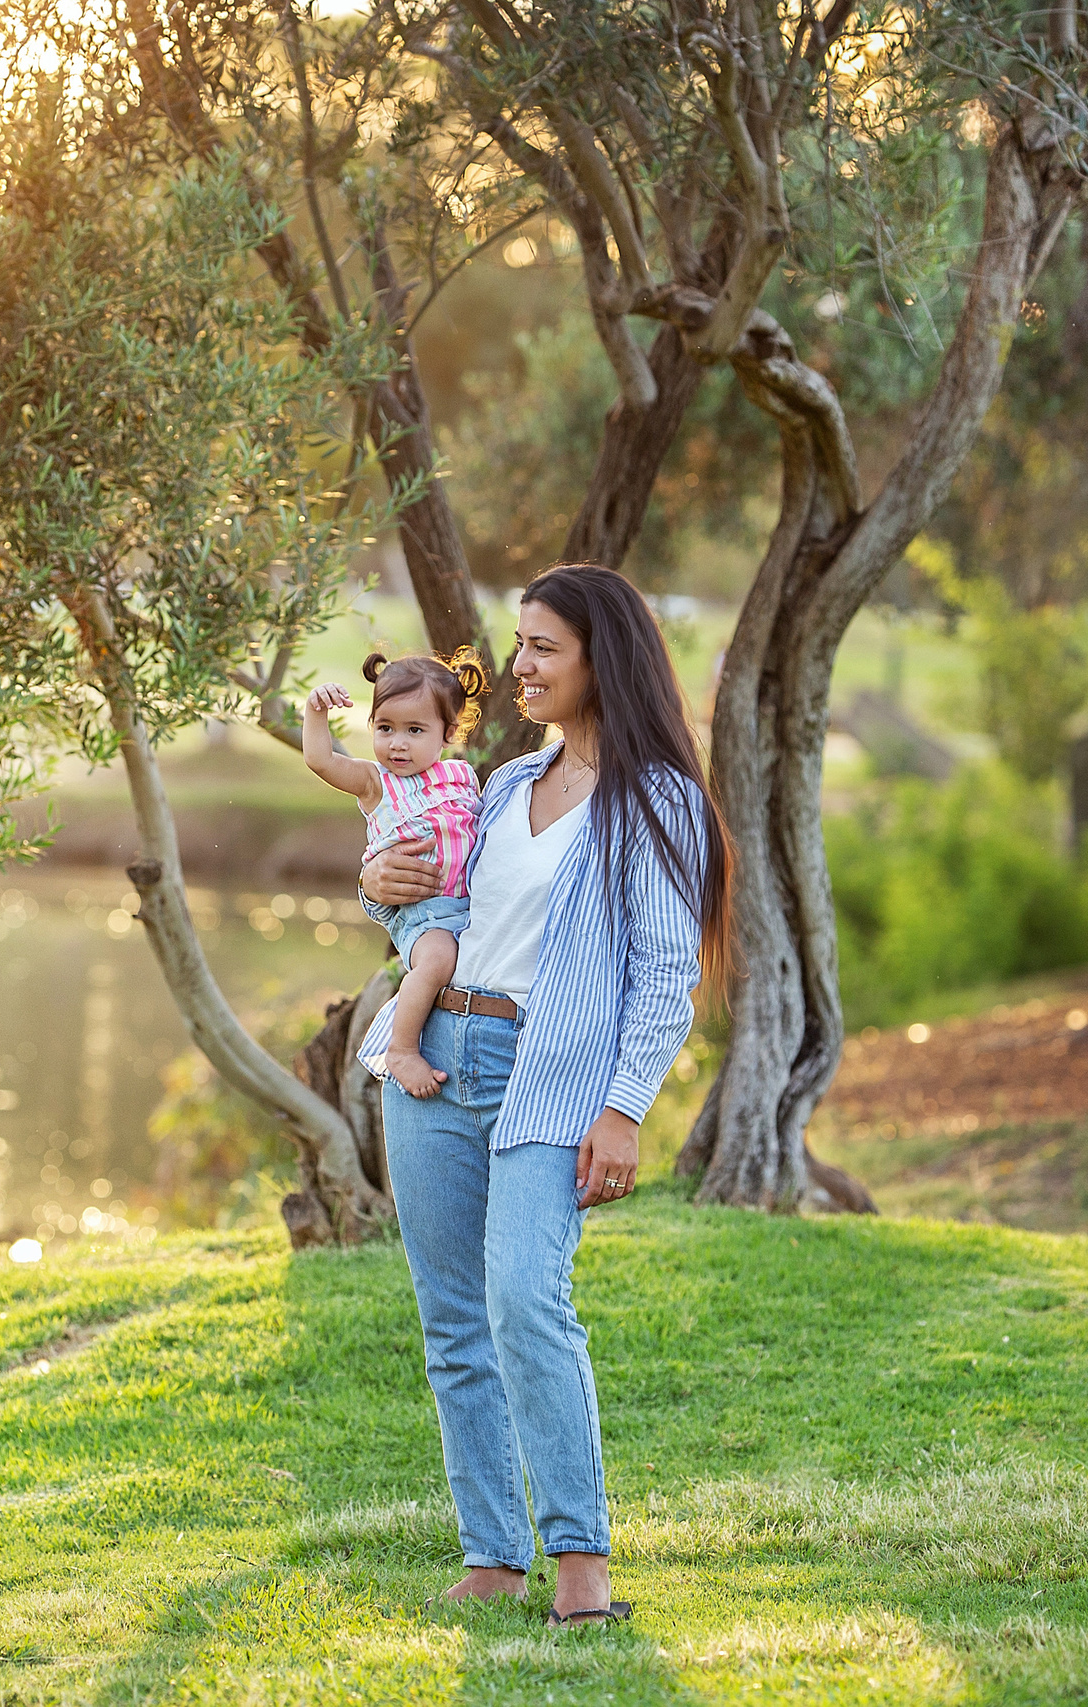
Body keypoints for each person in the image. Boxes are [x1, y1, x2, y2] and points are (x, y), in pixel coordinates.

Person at [357, 564, 730, 1628]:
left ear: (598, 660)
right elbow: (420, 882)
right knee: (453, 1321)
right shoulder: (509, 782)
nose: (516, 666)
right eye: (519, 644)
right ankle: (491, 1557)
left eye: (541, 649)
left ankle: (581, 1568)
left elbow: (664, 981)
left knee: (527, 1299)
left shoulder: (658, 804)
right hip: (432, 1060)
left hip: (548, 1078)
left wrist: (622, 1108)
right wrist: (377, 889)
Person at [302, 649, 491, 1099]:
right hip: (422, 915)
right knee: (439, 960)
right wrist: (315, 712)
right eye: (385, 728)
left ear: (447, 733)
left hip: (467, 906)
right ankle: (401, 1050)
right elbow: (320, 760)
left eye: (414, 730)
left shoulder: (462, 777)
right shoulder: (375, 781)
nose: (397, 744)